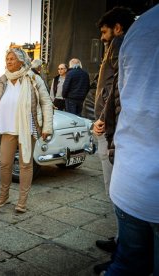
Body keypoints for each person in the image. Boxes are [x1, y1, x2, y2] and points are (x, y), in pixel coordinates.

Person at [104, 5, 159, 275]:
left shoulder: (141, 26)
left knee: (126, 267)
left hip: (130, 178)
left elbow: (121, 92)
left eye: (105, 32)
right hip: (138, 179)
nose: (103, 38)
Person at [0, 47, 53, 213]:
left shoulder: (33, 78)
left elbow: (46, 102)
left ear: (21, 60)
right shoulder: (1, 81)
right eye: (7, 59)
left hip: (27, 128)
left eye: (12, 58)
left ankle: (22, 201)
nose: (8, 61)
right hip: (7, 128)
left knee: (26, 164)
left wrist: (47, 126)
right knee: (4, 164)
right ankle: (4, 195)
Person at [91, 7, 136, 274]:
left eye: (105, 32)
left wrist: (104, 119)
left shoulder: (120, 45)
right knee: (113, 190)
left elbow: (116, 87)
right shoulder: (116, 46)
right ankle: (121, 240)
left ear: (117, 28)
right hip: (108, 127)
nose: (103, 38)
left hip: (110, 130)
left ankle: (125, 249)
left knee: (115, 189)